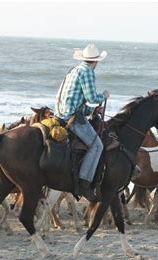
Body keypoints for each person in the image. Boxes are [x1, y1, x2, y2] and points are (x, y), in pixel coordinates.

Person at [55, 44, 110, 201]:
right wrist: (104, 96)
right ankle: (84, 183)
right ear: (96, 61)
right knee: (97, 145)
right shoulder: (87, 72)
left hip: (61, 113)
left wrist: (92, 112)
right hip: (71, 117)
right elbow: (92, 98)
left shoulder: (74, 70)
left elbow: (77, 98)